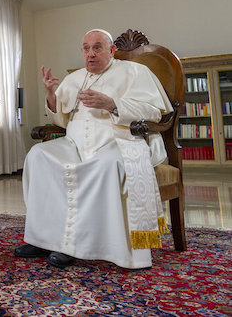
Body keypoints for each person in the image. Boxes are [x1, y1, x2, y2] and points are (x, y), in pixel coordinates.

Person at [14, 29, 173, 270]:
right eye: (86, 48)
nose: (90, 53)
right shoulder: (74, 78)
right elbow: (61, 120)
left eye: (97, 47)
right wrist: (50, 94)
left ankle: (77, 244)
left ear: (111, 50)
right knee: (39, 155)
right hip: (76, 144)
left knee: (107, 165)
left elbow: (155, 112)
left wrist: (113, 104)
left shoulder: (135, 72)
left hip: (120, 141)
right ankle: (44, 238)